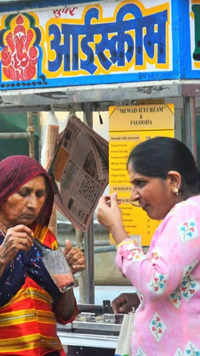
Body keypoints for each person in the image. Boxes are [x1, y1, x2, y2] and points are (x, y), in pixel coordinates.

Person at [97, 136, 200, 355]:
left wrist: (118, 230)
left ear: (173, 181)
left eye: (140, 183)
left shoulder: (187, 214)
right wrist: (141, 300)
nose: (134, 196)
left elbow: (156, 282)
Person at [0, 155, 86, 356]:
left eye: (40, 194)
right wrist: (3, 257)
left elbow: (64, 314)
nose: (33, 204)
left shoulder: (46, 240)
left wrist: (67, 275)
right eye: (24, 193)